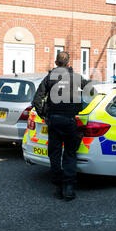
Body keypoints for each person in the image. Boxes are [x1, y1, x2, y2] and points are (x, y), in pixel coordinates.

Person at [32, 51, 92, 201]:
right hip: (70, 120)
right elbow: (93, 92)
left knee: (54, 155)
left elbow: (36, 100)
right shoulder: (76, 78)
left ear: (56, 63)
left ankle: (58, 188)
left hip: (54, 121)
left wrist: (44, 115)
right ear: (68, 64)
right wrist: (80, 108)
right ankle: (69, 189)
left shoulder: (49, 78)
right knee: (70, 154)